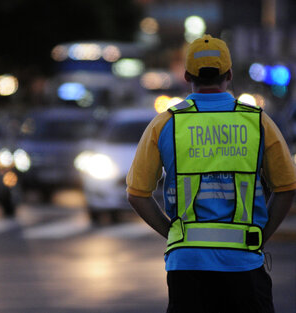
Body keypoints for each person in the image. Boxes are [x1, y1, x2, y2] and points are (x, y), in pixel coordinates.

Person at [126, 34, 296, 313]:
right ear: (228, 74)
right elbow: (287, 187)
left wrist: (173, 233)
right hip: (244, 265)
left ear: (187, 75)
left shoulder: (165, 123)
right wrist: (259, 236)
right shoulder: (257, 121)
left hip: (187, 267)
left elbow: (137, 194)